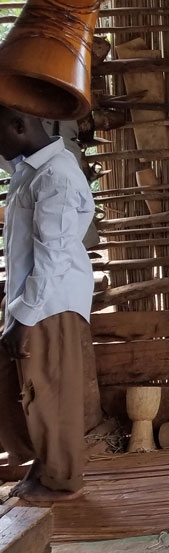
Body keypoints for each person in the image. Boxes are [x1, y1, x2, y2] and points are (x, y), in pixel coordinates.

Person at [0, 104, 98, 502]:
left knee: (51, 393)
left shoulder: (56, 177)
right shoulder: (33, 169)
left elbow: (52, 258)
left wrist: (23, 318)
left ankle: (64, 481)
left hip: (50, 304)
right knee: (31, 389)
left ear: (19, 126)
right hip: (35, 301)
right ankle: (44, 470)